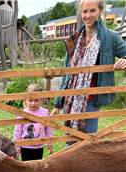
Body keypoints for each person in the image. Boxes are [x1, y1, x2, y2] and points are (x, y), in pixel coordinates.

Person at [51, 0, 126, 137]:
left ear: (100, 12)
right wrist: (57, 103)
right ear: (81, 13)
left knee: (88, 142)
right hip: (70, 99)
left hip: (91, 99)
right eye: (85, 11)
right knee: (69, 142)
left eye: (93, 11)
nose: (88, 15)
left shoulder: (111, 37)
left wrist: (125, 60)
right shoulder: (74, 38)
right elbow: (67, 74)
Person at [13, 83, 53, 161]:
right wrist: (17, 146)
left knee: (37, 165)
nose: (33, 103)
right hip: (25, 147)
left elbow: (48, 128)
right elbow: (17, 131)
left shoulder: (44, 112)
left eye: (36, 100)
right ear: (25, 100)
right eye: (30, 100)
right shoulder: (22, 114)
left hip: (39, 146)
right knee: (27, 166)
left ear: (41, 99)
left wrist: (49, 141)